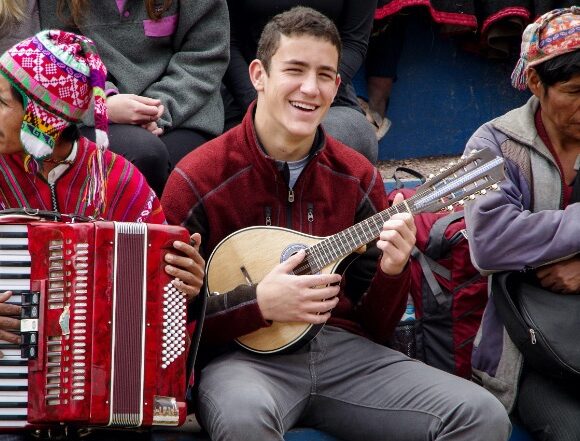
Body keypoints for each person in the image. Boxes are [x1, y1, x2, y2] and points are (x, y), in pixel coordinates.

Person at [162, 7, 511, 440]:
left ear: (337, 86)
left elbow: (377, 327)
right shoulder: (199, 177)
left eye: (325, 75)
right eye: (295, 69)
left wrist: (391, 271)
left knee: (481, 414)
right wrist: (258, 305)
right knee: (243, 418)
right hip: (239, 362)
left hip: (342, 351)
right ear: (258, 74)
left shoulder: (356, 175)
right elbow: (167, 326)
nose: (310, 88)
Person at [0, 30, 204, 357]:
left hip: (98, 376)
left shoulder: (120, 183)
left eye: (1, 102)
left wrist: (186, 290)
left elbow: (162, 296)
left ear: (41, 119)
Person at [463, 7, 580, 441]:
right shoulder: (492, 144)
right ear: (535, 83)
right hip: (533, 351)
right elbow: (491, 242)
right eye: (574, 90)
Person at [39, 0, 230, 197]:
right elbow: (59, 56)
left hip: (182, 108)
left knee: (186, 170)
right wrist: (104, 102)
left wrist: (155, 110)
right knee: (146, 154)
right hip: (94, 111)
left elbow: (204, 54)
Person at [222, 0, 380, 164]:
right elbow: (226, 42)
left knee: (343, 141)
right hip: (244, 92)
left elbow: (354, 42)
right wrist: (257, 105)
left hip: (329, 100)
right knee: (238, 151)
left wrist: (321, 89)